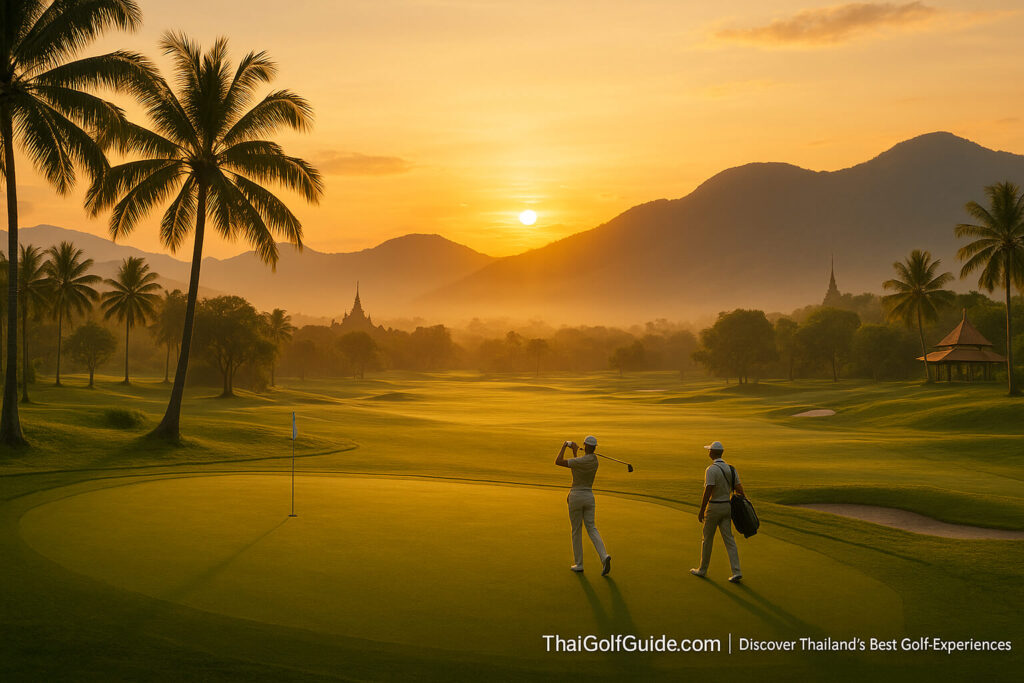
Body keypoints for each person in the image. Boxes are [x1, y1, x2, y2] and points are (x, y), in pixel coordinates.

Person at [555, 435, 611, 575]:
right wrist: (576, 451)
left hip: (576, 497)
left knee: (576, 530)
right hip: (589, 497)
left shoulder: (580, 460)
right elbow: (577, 465)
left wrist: (564, 446)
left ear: (585, 446)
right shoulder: (595, 461)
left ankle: (579, 564)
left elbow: (558, 461)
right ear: (595, 448)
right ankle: (604, 557)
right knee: (592, 528)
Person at [690, 440, 743, 583]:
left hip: (714, 507)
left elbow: (708, 491)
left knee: (707, 539)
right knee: (730, 540)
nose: (708, 452)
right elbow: (739, 489)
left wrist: (702, 510)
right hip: (727, 507)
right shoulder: (731, 469)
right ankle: (736, 571)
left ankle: (702, 569)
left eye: (709, 450)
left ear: (713, 453)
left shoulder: (711, 469)